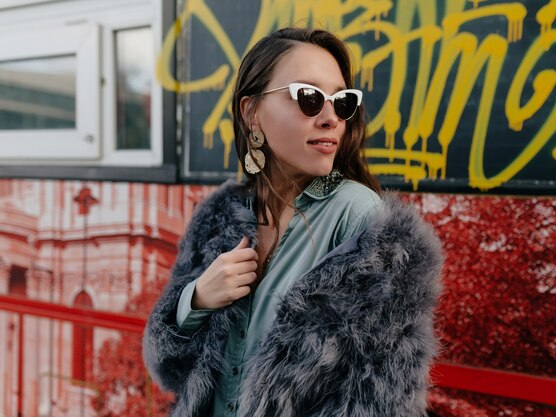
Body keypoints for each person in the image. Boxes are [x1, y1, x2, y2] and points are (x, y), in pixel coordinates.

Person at [143, 27, 442, 417]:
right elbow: (169, 368)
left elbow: (377, 399)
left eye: (342, 102)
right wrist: (197, 298)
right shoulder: (219, 215)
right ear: (251, 112)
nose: (330, 117)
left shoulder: (365, 223)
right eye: (309, 98)